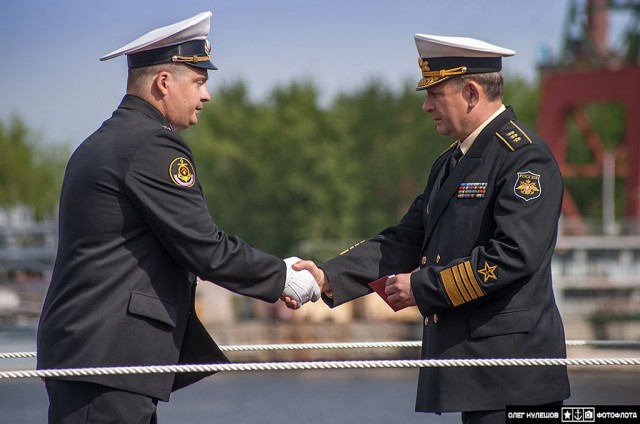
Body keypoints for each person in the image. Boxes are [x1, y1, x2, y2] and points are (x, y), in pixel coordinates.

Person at [37, 11, 319, 423]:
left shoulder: (100, 142)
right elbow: (203, 245)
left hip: (96, 355)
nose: (206, 96)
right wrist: (282, 277)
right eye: (200, 82)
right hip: (108, 362)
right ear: (164, 83)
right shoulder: (152, 146)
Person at [289, 34, 570, 424]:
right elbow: (404, 238)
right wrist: (326, 276)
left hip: (514, 376)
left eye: (435, 93)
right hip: (477, 373)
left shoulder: (524, 158)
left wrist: (422, 287)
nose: (426, 106)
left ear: (471, 92)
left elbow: (513, 255)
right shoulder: (448, 164)